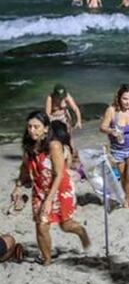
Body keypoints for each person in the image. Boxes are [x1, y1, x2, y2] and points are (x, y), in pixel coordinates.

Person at [12, 112, 89, 264]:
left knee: (65, 225)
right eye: (29, 127)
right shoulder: (28, 146)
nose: (32, 130)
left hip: (59, 189)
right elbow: (24, 168)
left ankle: (82, 232)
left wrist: (49, 200)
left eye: (36, 127)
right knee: (41, 225)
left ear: (46, 129)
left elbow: (59, 174)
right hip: (40, 189)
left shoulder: (54, 145)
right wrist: (18, 186)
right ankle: (47, 259)